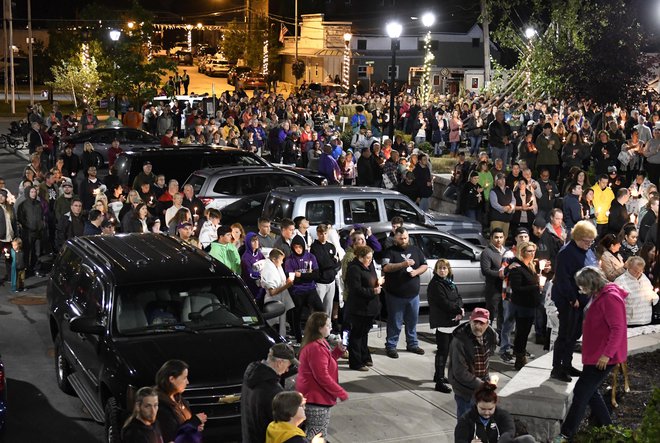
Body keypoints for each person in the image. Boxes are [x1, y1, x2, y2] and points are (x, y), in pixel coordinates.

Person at [554, 267, 627, 442]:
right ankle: (609, 428)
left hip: (602, 357)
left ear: (592, 284)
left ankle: (566, 434)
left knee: (580, 392)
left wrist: (606, 354)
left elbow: (617, 329)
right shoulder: (600, 295)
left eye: (583, 286)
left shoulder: (610, 298)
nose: (581, 290)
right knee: (590, 391)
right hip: (595, 354)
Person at [550, 221, 598, 382]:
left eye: (591, 241)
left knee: (574, 334)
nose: (589, 244)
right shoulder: (566, 253)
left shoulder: (587, 249)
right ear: (577, 237)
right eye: (586, 241)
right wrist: (572, 298)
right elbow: (562, 279)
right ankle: (557, 368)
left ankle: (567, 364)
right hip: (569, 300)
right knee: (565, 334)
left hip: (583, 298)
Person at [295, 312, 348, 441]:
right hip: (316, 399)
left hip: (315, 397)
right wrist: (340, 392)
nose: (330, 328)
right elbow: (322, 376)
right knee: (316, 436)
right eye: (328, 325)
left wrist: (337, 352)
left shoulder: (318, 343)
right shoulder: (315, 348)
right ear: (319, 328)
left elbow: (327, 362)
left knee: (315, 433)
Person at [382, 227, 428, 358]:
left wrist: (416, 271)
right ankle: (391, 346)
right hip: (395, 295)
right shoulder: (389, 252)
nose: (403, 240)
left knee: (412, 322)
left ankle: (412, 344)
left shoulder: (415, 249)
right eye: (400, 238)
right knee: (395, 322)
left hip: (413, 295)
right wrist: (403, 264)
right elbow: (386, 267)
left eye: (405, 238)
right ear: (395, 238)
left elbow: (424, 265)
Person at [241, 343, 298, 443]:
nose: (287, 370)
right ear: (280, 363)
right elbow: (283, 426)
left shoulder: (251, 375)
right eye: (288, 365)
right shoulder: (273, 390)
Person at [447, 308, 498, 419]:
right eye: (475, 322)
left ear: (487, 323)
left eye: (481, 323)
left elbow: (487, 357)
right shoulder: (460, 341)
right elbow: (460, 373)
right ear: (470, 320)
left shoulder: (490, 335)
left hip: (481, 386)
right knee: (465, 424)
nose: (478, 326)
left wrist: (487, 383)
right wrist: (482, 385)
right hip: (465, 390)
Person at [428, 259, 464, 393]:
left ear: (448, 270)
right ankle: (439, 382)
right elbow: (443, 303)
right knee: (442, 352)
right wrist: (458, 310)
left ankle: (439, 375)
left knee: (449, 351)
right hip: (443, 322)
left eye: (444, 268)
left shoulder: (450, 282)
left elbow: (458, 297)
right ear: (436, 270)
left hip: (452, 321)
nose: (442, 270)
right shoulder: (436, 285)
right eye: (439, 268)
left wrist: (459, 309)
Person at [455, 383, 534, 443]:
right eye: (482, 409)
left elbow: (508, 432)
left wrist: (504, 439)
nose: (486, 413)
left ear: (495, 404)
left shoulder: (503, 415)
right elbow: (460, 440)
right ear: (476, 404)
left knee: (528, 439)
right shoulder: (465, 419)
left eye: (490, 409)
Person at [345, 245, 381, 371]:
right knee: (357, 334)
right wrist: (373, 291)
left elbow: (373, 279)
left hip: (370, 307)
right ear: (360, 257)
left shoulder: (369, 266)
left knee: (364, 334)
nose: (370, 260)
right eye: (368, 258)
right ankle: (356, 362)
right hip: (359, 307)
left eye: (371, 258)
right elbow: (356, 289)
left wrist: (378, 283)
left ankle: (365, 357)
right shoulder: (354, 269)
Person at [155, 360, 207, 443]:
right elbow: (173, 436)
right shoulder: (159, 405)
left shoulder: (178, 398)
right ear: (171, 379)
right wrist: (194, 422)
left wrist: (195, 427)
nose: (187, 382)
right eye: (184, 378)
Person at [507, 241, 540, 370]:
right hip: (522, 305)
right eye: (529, 251)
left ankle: (520, 353)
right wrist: (535, 286)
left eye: (533, 251)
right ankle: (519, 358)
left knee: (525, 332)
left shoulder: (530, 265)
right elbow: (516, 288)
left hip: (531, 304)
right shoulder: (517, 267)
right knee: (522, 332)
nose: (532, 254)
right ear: (522, 252)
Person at [284, 235, 322, 343]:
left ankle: (317, 335)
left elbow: (315, 275)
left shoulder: (311, 257)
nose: (298, 249)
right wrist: (305, 277)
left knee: (320, 310)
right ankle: (298, 338)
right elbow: (291, 277)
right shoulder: (289, 260)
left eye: (300, 247)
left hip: (310, 289)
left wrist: (301, 275)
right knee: (297, 314)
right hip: (297, 290)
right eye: (295, 247)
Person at [259, 248, 295, 337]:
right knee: (274, 325)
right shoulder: (269, 271)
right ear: (274, 259)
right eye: (281, 260)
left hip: (279, 300)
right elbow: (272, 292)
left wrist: (286, 282)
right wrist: (287, 285)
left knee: (280, 324)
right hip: (272, 302)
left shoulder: (276, 267)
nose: (282, 263)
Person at [615, 256, 659, 326]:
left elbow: (650, 292)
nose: (638, 273)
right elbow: (616, 302)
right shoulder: (620, 281)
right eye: (635, 271)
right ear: (629, 268)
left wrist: (654, 296)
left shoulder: (644, 278)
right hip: (630, 321)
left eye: (641, 270)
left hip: (646, 319)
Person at [311, 224, 340, 318]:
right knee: (318, 309)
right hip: (320, 282)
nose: (323, 236)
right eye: (321, 234)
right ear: (317, 234)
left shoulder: (331, 246)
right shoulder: (314, 247)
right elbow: (322, 263)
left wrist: (333, 267)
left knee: (329, 307)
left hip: (331, 280)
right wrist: (333, 261)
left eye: (325, 233)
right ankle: (316, 329)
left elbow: (338, 263)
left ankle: (328, 328)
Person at [480, 228, 506, 327]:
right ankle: (486, 334)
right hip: (493, 289)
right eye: (496, 237)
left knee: (503, 314)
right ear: (491, 238)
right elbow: (485, 271)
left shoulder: (506, 251)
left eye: (501, 237)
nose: (498, 240)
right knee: (490, 314)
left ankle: (500, 336)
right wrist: (500, 274)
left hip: (504, 288)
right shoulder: (487, 252)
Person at [489, 173, 515, 240]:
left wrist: (510, 207)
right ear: (496, 181)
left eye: (503, 179)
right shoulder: (493, 191)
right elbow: (494, 204)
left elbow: (513, 200)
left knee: (504, 238)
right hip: (497, 219)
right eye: (500, 179)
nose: (503, 180)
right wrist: (504, 209)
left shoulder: (509, 190)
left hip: (507, 219)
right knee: (495, 238)